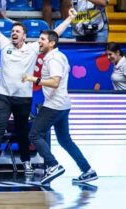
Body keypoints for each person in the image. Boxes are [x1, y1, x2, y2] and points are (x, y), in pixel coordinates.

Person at [0, 0, 76, 179]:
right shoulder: (4, 44)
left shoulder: (32, 48)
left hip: (23, 98)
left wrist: (69, 19)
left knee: (22, 131)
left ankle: (26, 161)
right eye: (12, 31)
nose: (13, 33)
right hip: (3, 96)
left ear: (24, 36)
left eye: (17, 31)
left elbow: (55, 34)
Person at [23, 31, 98, 185]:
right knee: (64, 140)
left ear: (52, 43)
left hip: (54, 105)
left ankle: (53, 165)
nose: (39, 42)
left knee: (34, 135)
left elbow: (55, 82)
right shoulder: (60, 56)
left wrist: (33, 79)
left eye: (42, 39)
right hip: (62, 105)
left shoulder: (53, 59)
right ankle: (87, 170)